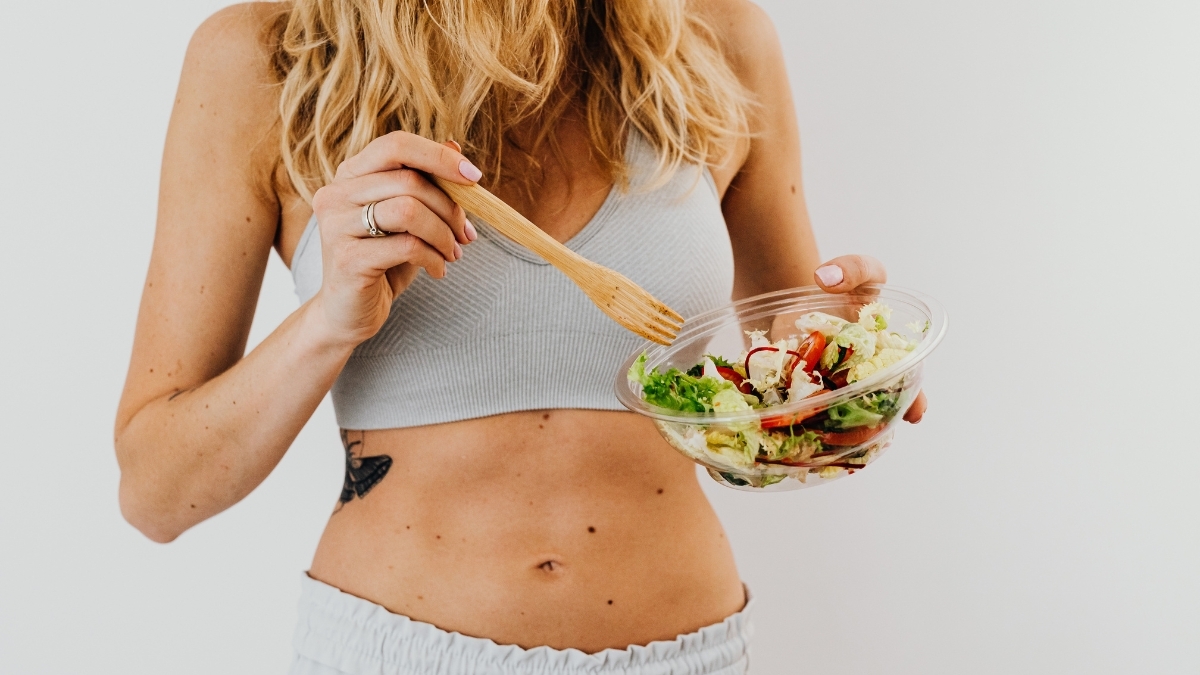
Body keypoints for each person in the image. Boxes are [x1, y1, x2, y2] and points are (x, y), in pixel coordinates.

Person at [115, 1, 926, 672]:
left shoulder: (715, 36)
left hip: (691, 653)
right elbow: (156, 493)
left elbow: (786, 378)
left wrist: (847, 368)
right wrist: (327, 322)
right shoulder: (267, 55)